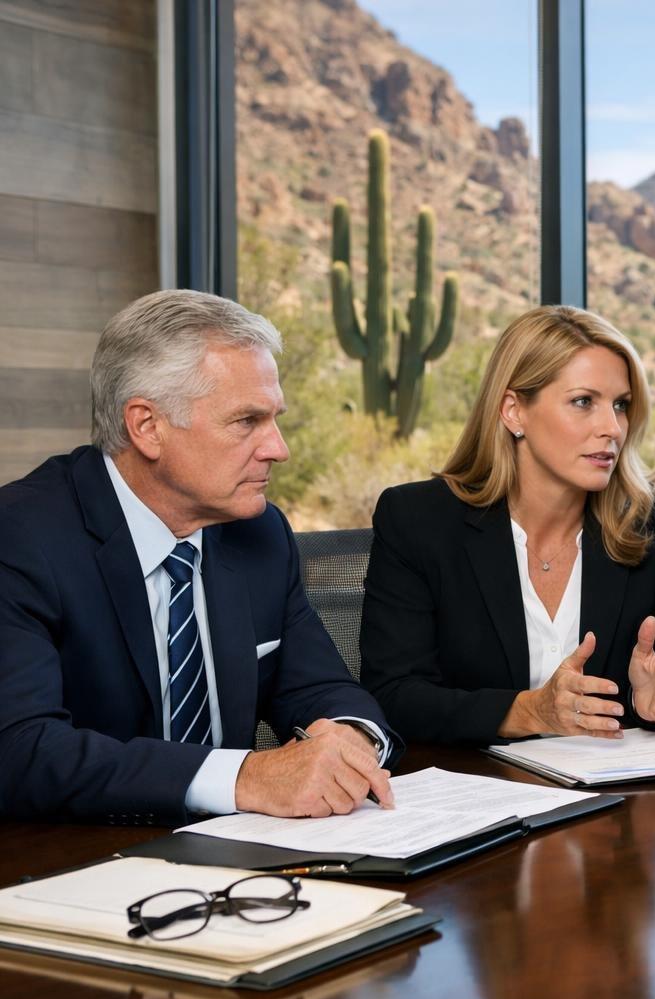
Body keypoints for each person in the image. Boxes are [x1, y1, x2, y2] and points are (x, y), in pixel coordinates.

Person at [0, 290, 399, 823]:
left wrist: (347, 739)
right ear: (147, 426)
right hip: (70, 861)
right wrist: (244, 777)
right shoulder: (22, 537)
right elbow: (21, 750)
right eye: (246, 422)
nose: (278, 448)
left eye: (275, 419)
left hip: (241, 863)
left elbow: (320, 686)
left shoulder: (260, 533)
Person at [360, 306, 655, 745]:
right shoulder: (418, 520)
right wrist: (529, 711)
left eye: (621, 405)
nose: (612, 428)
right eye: (583, 402)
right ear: (514, 411)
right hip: (483, 796)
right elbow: (392, 696)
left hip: (617, 799)